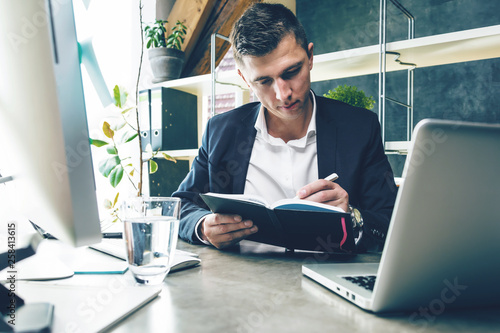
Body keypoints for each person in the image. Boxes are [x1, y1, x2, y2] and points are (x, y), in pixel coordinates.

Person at [173, 3, 397, 252]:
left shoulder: (359, 129)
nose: (283, 94)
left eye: (291, 71)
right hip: (237, 282)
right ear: (245, 79)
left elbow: (392, 221)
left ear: (310, 57)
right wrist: (204, 226)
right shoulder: (220, 131)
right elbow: (182, 205)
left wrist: (353, 217)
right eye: (264, 81)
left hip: (325, 281)